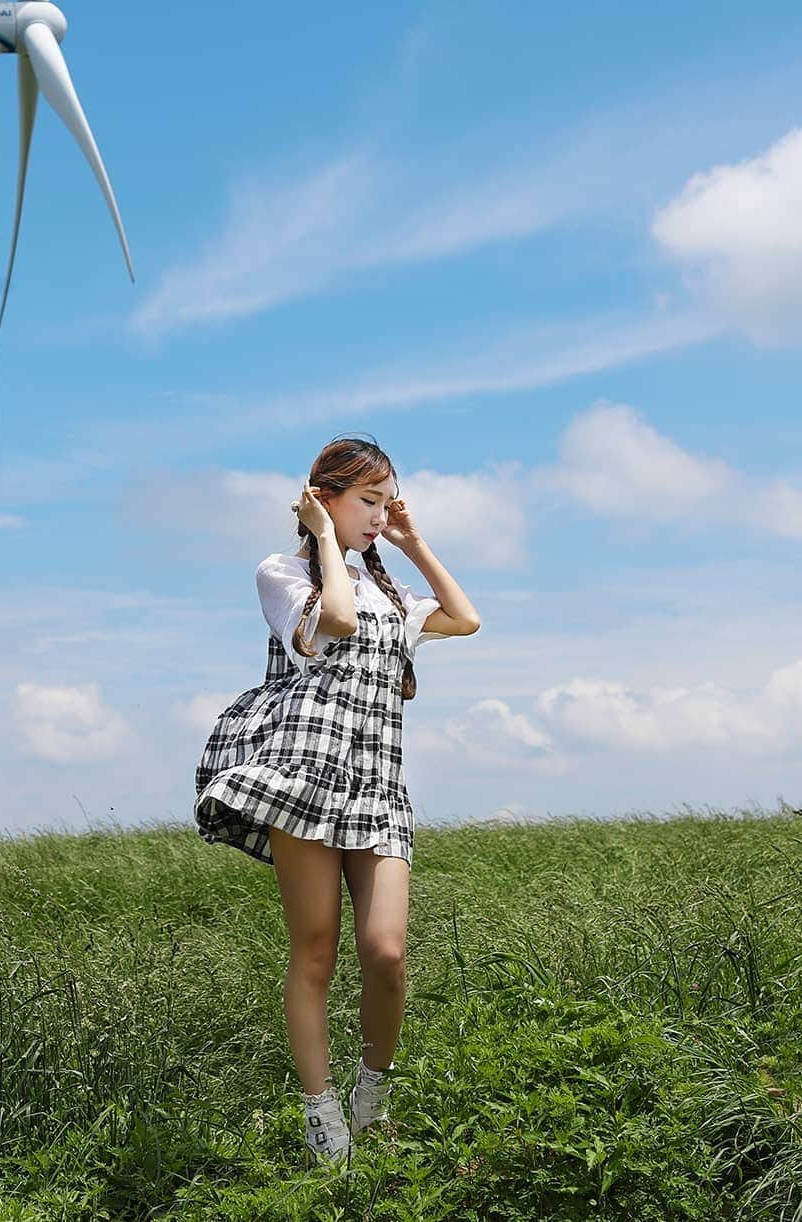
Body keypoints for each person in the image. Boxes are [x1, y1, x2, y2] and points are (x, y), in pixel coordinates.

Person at [193, 434, 481, 1168]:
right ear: (324, 499)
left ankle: (371, 1095)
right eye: (369, 502)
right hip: (307, 777)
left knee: (386, 952)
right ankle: (321, 1115)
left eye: (389, 503)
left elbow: (464, 617)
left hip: (379, 785)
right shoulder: (283, 573)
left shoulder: (390, 588)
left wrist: (413, 543)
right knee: (314, 951)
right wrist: (324, 538)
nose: (380, 516)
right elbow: (340, 621)